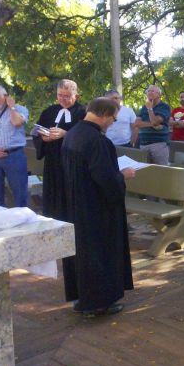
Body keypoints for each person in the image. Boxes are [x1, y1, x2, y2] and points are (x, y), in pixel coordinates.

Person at [61, 98, 135, 318]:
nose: (112, 123)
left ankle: (82, 297)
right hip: (96, 208)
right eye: (113, 118)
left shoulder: (73, 134)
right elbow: (105, 179)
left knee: (82, 253)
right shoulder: (97, 141)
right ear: (103, 114)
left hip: (76, 204)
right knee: (99, 253)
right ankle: (98, 303)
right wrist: (123, 175)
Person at [33, 79, 86, 221]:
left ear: (76, 96)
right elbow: (35, 132)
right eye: (60, 95)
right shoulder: (49, 111)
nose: (63, 99)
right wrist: (43, 138)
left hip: (72, 163)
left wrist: (66, 134)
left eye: (67, 96)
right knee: (52, 196)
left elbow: (89, 137)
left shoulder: (83, 112)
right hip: (52, 162)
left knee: (70, 196)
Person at [0, 85, 28, 207]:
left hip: (14, 156)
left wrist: (12, 107)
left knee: (20, 194)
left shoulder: (20, 109)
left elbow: (17, 122)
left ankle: (24, 221)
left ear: (6, 96)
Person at [134, 85, 171, 165]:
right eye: (148, 91)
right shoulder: (144, 107)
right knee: (146, 171)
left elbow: (155, 121)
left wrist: (150, 109)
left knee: (161, 171)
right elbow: (137, 124)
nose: (150, 92)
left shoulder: (164, 107)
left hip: (159, 145)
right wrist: (153, 125)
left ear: (159, 95)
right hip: (143, 145)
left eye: (152, 91)